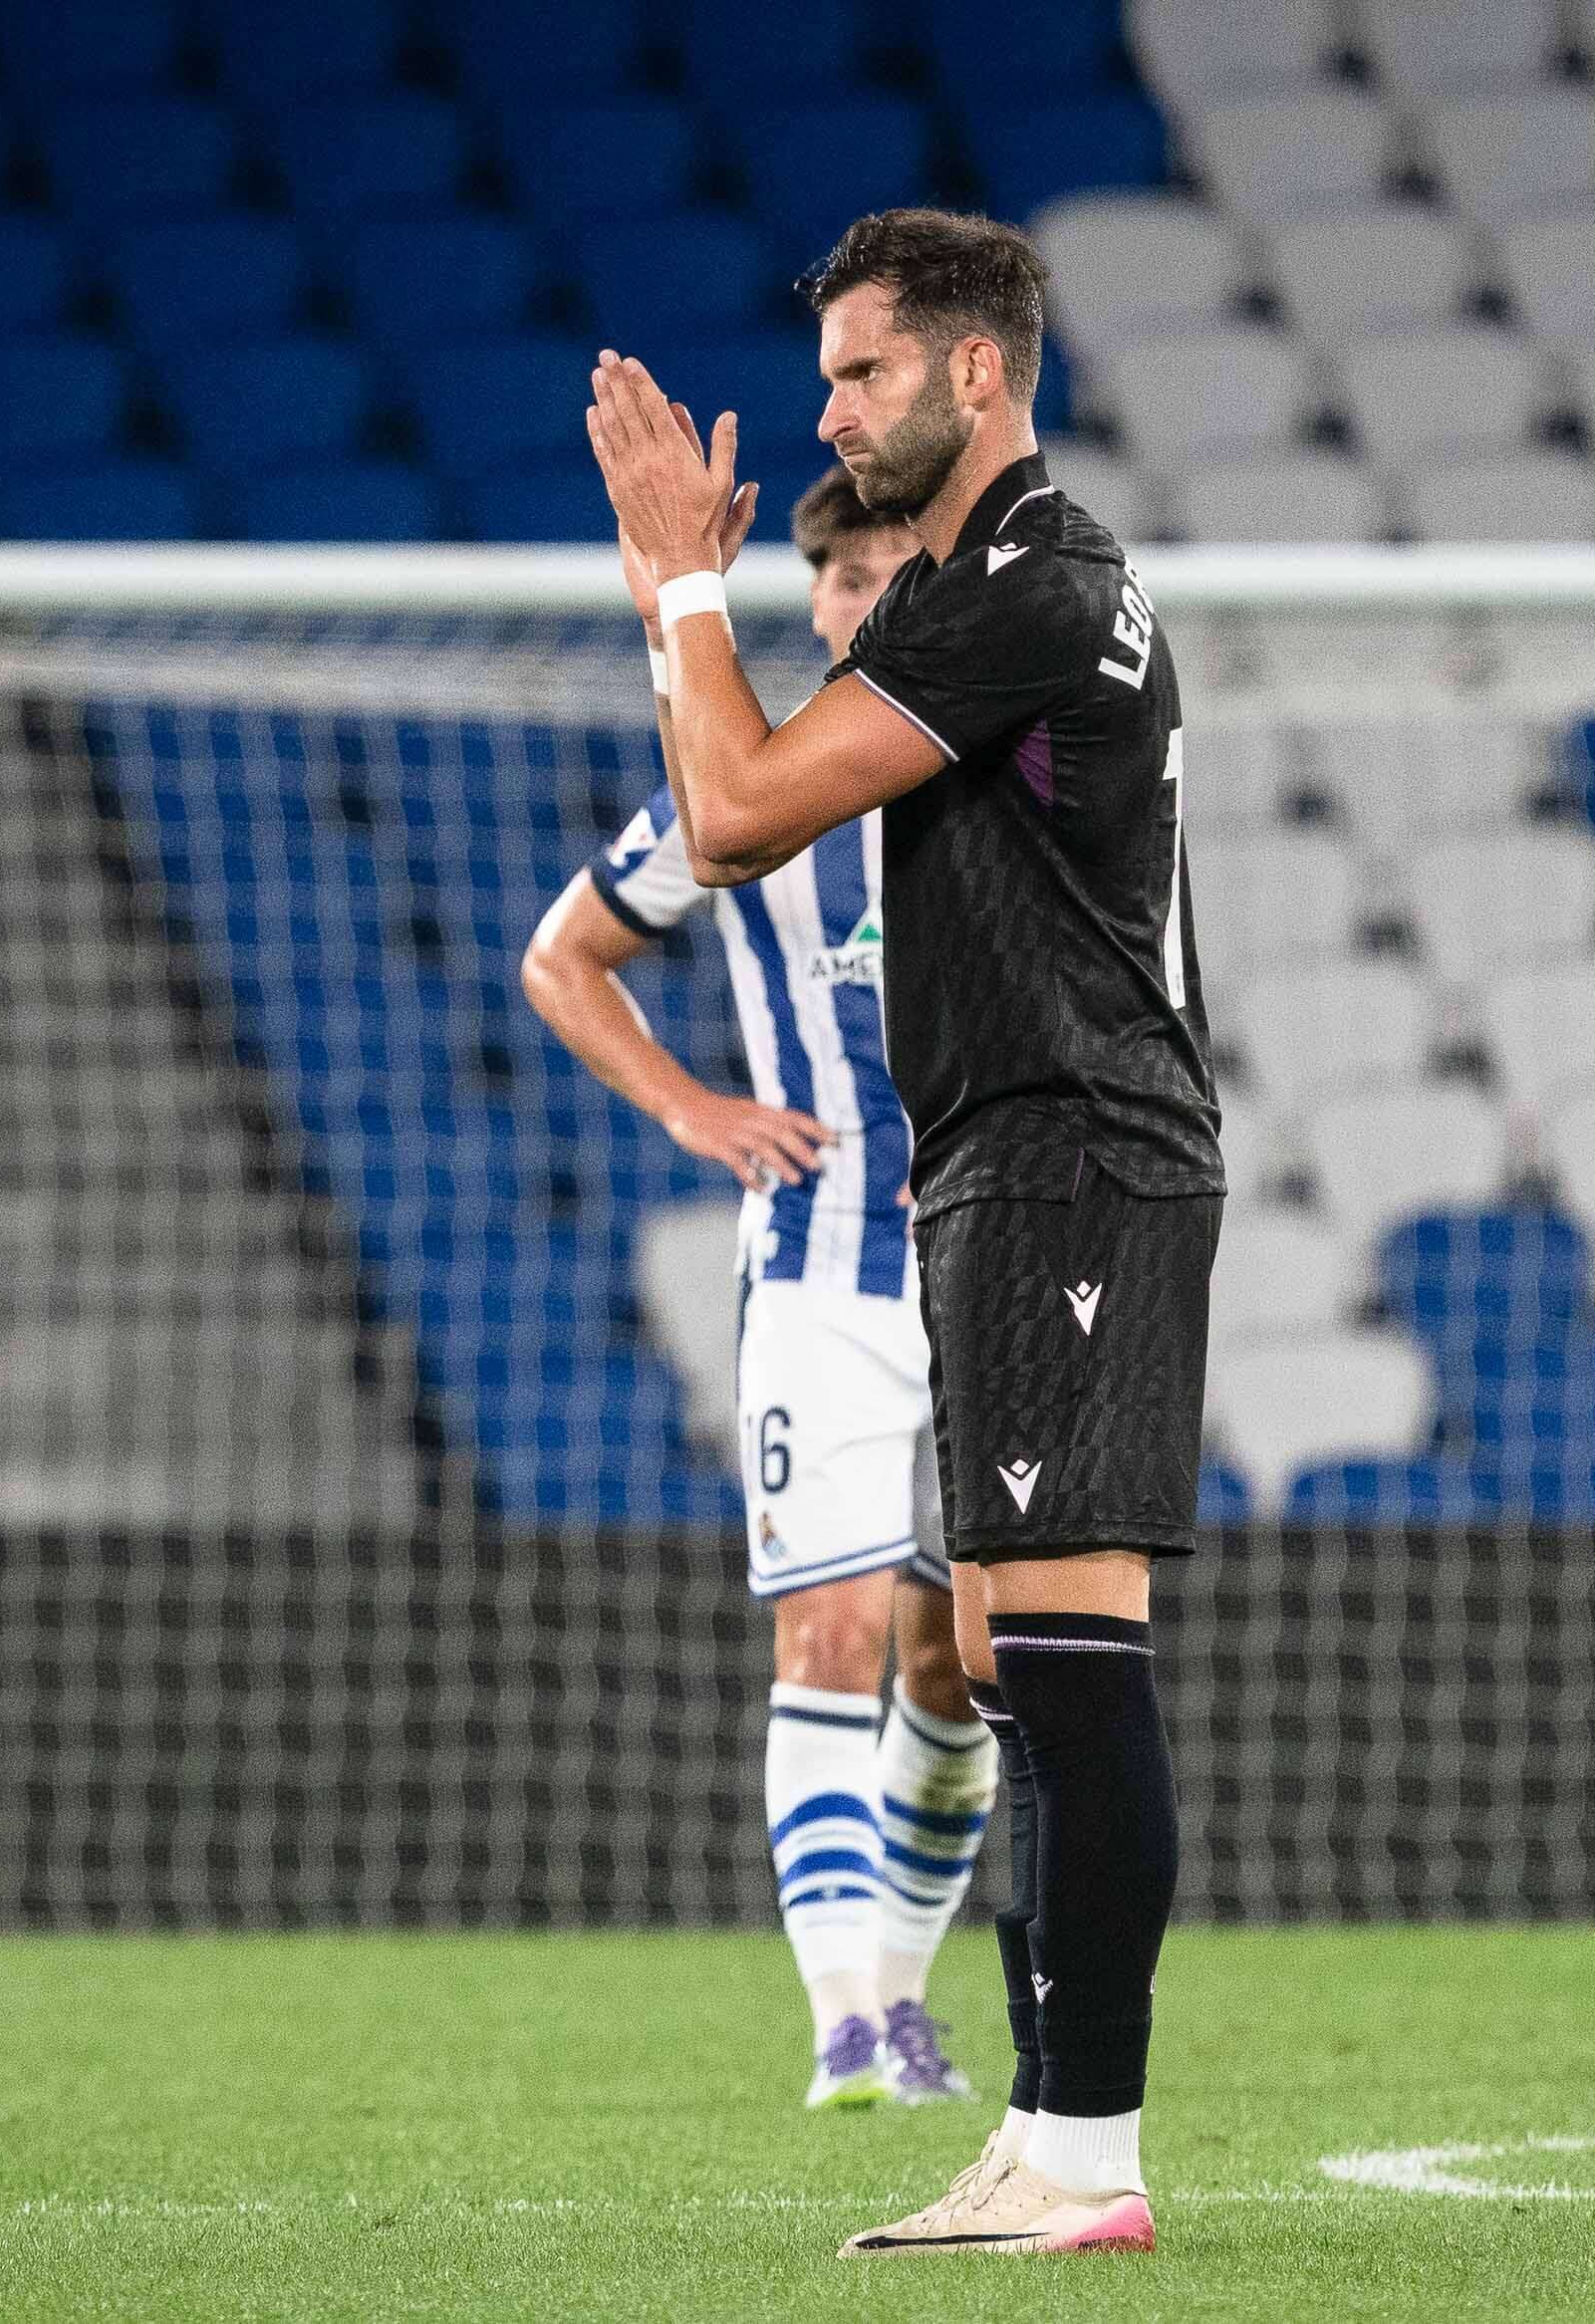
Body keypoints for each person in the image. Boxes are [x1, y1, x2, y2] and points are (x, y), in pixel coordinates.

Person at [583, 206, 1216, 2259]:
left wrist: (684, 585)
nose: (834, 413)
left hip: (1062, 1150)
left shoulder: (1016, 589)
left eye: (861, 374)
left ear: (974, 370)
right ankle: (1051, 2135)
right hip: (1030, 1151)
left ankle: (1082, 2147)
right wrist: (685, 610)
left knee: (1064, 1660)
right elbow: (735, 800)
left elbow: (743, 805)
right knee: (1019, 1653)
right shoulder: (1005, 584)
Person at [520, 470, 990, 2109]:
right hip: (820, 1267)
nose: (867, 599)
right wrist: (691, 1108)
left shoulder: (1012, 780)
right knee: (834, 1626)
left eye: (895, 571)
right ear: (819, 603)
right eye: (842, 579)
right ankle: (849, 2025)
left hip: (992, 1271)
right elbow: (560, 953)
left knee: (965, 1663)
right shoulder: (761, 795)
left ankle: (908, 1994)